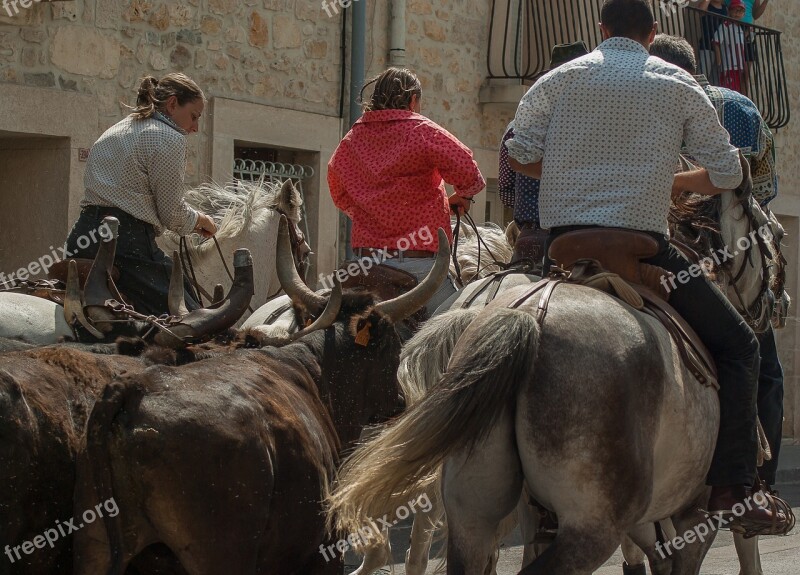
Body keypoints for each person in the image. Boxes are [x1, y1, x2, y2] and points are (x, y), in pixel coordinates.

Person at [506, 0, 786, 532]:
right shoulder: (677, 82)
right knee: (741, 347)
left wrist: (568, 165)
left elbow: (519, 151)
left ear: (601, 29)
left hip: (562, 251)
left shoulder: (560, 78)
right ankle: (732, 490)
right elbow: (728, 173)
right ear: (652, 32)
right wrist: (670, 179)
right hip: (644, 250)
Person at [650, 33, 783, 490]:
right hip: (729, 258)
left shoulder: (650, 98)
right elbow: (763, 189)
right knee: (763, 367)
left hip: (656, 242)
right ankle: (756, 486)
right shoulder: (741, 108)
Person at [328, 67, 485, 314]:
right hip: (418, 266)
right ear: (413, 100)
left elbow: (338, 190)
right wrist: (463, 196)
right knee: (460, 328)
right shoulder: (423, 131)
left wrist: (371, 214)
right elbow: (469, 170)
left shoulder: (351, 139)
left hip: (364, 263)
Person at [65, 73, 217, 317]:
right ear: (172, 104)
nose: (195, 127)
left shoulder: (117, 129)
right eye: (194, 116)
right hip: (127, 245)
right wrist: (200, 220)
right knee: (192, 321)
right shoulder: (169, 137)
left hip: (82, 238)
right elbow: (172, 214)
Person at [499, 43, 589, 268]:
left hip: (530, 237)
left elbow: (506, 190)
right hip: (578, 238)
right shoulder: (589, 125)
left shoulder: (517, 127)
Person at [714, 0, 748, 94]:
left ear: (743, 14)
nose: (737, 13)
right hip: (728, 66)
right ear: (729, 11)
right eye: (735, 10)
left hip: (738, 67)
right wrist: (719, 60)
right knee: (727, 91)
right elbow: (716, 42)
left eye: (740, 11)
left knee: (736, 91)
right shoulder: (725, 26)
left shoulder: (740, 28)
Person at [693, 0, 727, 84]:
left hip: (722, 48)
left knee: (716, 80)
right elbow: (701, 10)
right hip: (707, 45)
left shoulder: (725, 9)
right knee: (702, 76)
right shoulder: (707, 5)